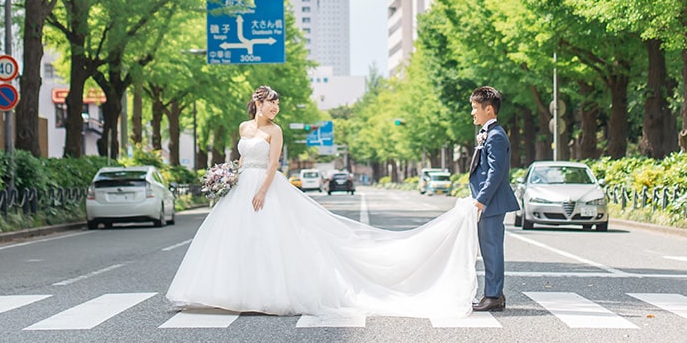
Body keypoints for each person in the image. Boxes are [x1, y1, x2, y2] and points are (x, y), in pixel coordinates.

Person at [166, 85, 479, 318]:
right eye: (271, 104)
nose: (275, 109)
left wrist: (261, 190)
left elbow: (273, 165)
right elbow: (240, 156)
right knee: (236, 240)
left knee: (269, 238)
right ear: (258, 103)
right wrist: (228, 177)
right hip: (241, 185)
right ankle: (229, 292)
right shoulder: (244, 127)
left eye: (277, 105)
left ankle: (265, 293)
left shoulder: (275, 131)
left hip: (265, 186)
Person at [468, 85, 520, 312]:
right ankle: (492, 294)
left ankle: (494, 296)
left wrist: (481, 200)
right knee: (489, 248)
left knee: (492, 249)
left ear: (489, 109)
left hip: (491, 203)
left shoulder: (496, 135)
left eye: (475, 108)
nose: (472, 113)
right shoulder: (489, 133)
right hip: (488, 202)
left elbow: (496, 172)